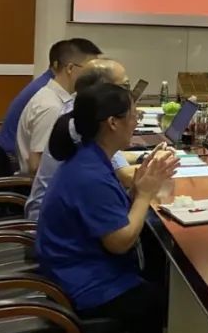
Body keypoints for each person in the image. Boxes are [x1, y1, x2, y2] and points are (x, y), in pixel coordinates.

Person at [36, 83, 178, 333]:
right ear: (113, 122)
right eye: (133, 115)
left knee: (158, 267)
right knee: (164, 301)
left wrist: (138, 186)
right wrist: (144, 195)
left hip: (78, 266)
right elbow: (119, 242)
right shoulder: (90, 174)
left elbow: (112, 215)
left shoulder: (89, 157)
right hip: (81, 283)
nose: (136, 121)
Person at [25, 58, 135, 220]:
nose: (129, 93)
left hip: (61, 211)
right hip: (54, 218)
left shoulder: (80, 111)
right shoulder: (88, 124)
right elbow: (124, 176)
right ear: (105, 89)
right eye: (125, 86)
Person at [0, 38, 101, 158]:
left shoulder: (58, 93)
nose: (96, 76)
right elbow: (37, 162)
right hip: (13, 159)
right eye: (91, 70)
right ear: (70, 68)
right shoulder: (51, 107)